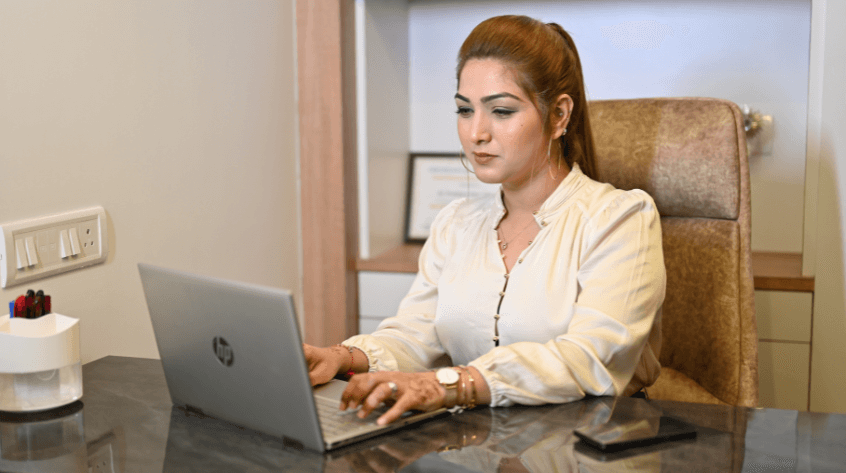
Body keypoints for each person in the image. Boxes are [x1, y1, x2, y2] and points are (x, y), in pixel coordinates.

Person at [304, 14, 665, 426]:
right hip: (475, 441)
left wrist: (450, 385)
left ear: (559, 115)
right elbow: (417, 335)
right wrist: (341, 356)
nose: (476, 132)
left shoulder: (621, 218)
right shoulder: (456, 223)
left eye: (501, 111)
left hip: (589, 444)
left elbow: (590, 358)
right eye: (464, 109)